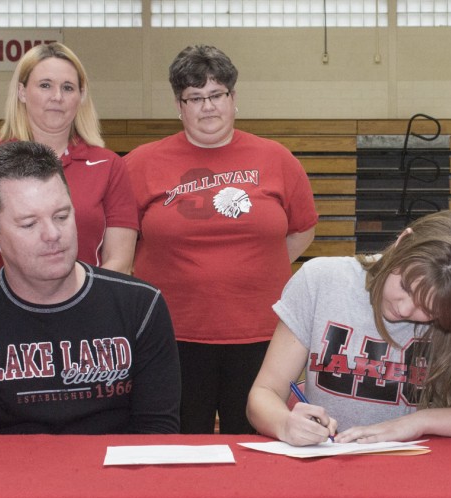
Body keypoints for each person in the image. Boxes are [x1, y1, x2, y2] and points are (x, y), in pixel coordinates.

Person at [0, 141, 180, 435]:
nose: (53, 235)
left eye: (61, 216)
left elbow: (156, 437)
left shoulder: (142, 307)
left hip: (118, 479)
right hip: (9, 480)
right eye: (29, 224)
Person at [125, 45, 318, 435]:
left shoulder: (277, 159)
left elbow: (302, 230)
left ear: (233, 99)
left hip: (262, 336)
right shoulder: (140, 164)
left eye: (216, 95)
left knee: (257, 449)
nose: (207, 107)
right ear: (179, 106)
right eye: (194, 98)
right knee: (176, 447)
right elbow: (121, 246)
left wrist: (252, 267)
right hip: (171, 336)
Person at [246, 211, 451, 446]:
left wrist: (422, 422)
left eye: (430, 310)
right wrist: (285, 424)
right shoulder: (322, 280)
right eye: (406, 287)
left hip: (428, 479)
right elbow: (264, 393)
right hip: (331, 471)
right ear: (402, 242)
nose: (405, 309)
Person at [0, 42, 138, 285]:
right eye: (45, 85)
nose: (57, 97)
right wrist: (8, 309)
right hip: (3, 317)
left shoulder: (109, 165)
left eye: (68, 87)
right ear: (22, 92)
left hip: (85, 315)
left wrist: (82, 309)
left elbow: (120, 261)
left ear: (81, 96)